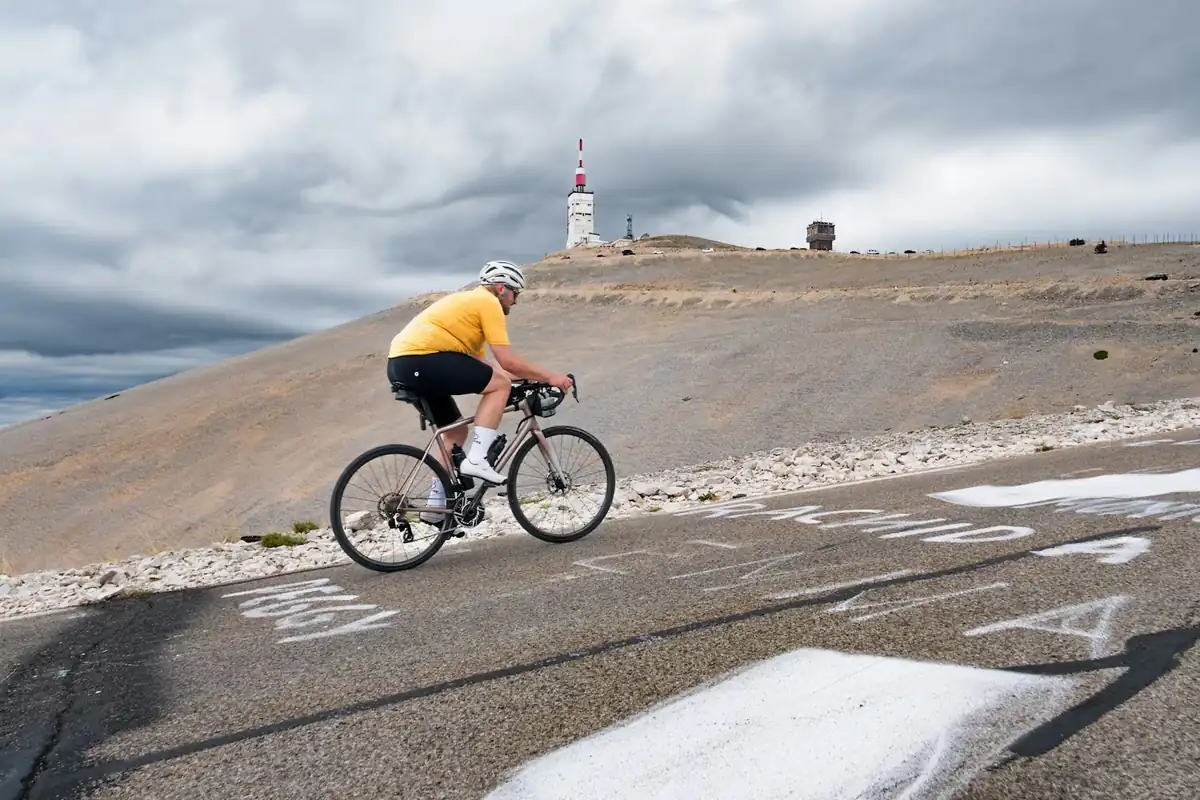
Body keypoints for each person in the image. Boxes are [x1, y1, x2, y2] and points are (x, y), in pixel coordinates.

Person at [386, 260, 574, 521]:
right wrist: (552, 376)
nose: (515, 302)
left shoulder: (469, 311)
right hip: (422, 359)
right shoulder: (487, 303)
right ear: (500, 289)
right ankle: (477, 459)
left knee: (455, 431)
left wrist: (529, 380)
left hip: (404, 364)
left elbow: (490, 369)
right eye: (515, 293)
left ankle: (435, 507)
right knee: (499, 386)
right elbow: (506, 363)